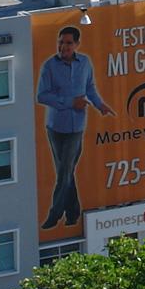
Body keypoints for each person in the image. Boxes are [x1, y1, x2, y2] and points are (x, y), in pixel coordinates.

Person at [36, 24, 113, 230]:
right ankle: (73, 213)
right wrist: (70, 102)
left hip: (76, 126)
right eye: (61, 42)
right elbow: (42, 95)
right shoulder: (49, 66)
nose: (64, 46)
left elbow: (90, 88)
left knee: (65, 170)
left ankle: (55, 214)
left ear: (77, 44)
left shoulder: (85, 63)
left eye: (68, 43)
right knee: (65, 171)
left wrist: (100, 105)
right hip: (55, 126)